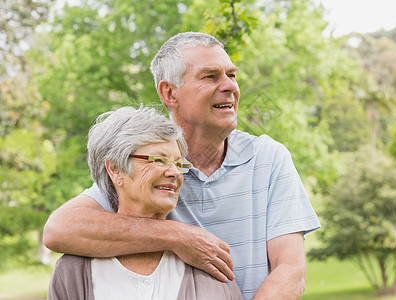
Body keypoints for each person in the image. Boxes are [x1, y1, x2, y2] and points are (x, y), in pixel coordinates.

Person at [43, 32, 321, 300]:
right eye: (210, 76)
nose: (229, 86)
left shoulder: (269, 158)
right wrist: (180, 236)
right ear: (170, 93)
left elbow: (291, 271)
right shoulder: (143, 167)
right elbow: (59, 230)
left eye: (232, 75)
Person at [47, 105, 244, 299]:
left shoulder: (209, 263)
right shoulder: (72, 272)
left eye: (178, 163)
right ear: (115, 170)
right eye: (159, 160)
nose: (175, 172)